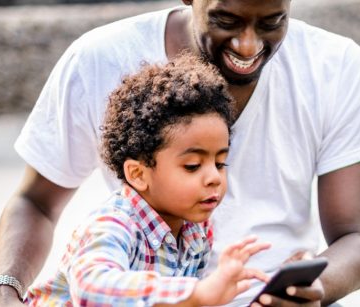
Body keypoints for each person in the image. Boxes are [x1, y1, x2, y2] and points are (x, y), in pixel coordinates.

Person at [0, 0, 360, 306]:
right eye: (226, 19)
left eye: (272, 21)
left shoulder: (339, 68)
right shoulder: (98, 61)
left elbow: (355, 242)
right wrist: (1, 292)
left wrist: (313, 285)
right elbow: (37, 207)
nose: (247, 44)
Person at [23, 54, 271, 306]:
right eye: (193, 166)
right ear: (138, 174)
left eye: (220, 163)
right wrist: (196, 293)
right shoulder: (114, 224)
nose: (214, 178)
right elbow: (91, 288)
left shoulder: (196, 231)